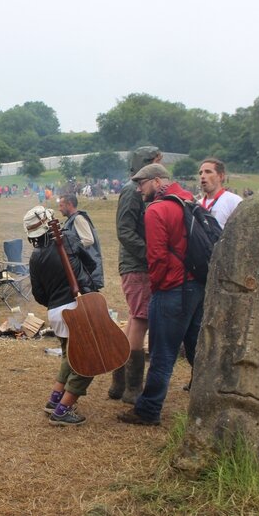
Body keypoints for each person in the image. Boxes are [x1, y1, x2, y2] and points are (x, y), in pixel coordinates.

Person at [117, 163, 205, 426]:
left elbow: (156, 257)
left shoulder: (157, 209)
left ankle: (148, 409)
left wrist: (157, 287)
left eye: (141, 183)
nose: (138, 189)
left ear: (156, 182)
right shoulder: (189, 201)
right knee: (196, 349)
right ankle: (211, 399)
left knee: (161, 353)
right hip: (196, 285)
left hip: (172, 288)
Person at [25, 205, 99, 426]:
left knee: (70, 357)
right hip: (77, 307)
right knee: (90, 360)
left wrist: (55, 303)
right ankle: (62, 410)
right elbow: (91, 263)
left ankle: (54, 400)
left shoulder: (35, 257)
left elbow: (39, 294)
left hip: (56, 312)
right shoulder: (67, 240)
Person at [109, 146, 163, 404]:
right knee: (140, 320)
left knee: (134, 320)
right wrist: (151, 255)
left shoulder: (136, 190)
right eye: (155, 163)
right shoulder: (133, 191)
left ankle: (119, 384)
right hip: (137, 266)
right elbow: (125, 231)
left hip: (138, 264)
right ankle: (132, 388)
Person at [58, 194, 104, 290]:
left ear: (69, 204)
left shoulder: (78, 219)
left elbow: (88, 240)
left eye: (61, 205)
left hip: (88, 268)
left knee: (90, 298)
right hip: (83, 267)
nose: (59, 209)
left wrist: (70, 247)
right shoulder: (72, 219)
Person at [198, 158, 243, 228]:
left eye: (208, 172)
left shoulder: (234, 201)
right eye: (200, 173)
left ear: (221, 176)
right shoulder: (197, 205)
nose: (202, 176)